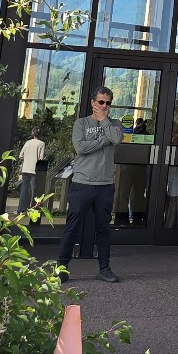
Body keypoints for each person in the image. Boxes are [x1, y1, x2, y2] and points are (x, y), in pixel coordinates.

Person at [55, 86, 123, 284]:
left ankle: (104, 268)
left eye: (108, 103)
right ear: (93, 102)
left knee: (103, 228)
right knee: (72, 227)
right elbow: (80, 148)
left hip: (105, 184)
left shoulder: (114, 123)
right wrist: (104, 139)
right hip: (82, 183)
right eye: (101, 102)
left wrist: (104, 122)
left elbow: (117, 139)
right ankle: (61, 269)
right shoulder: (81, 123)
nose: (104, 106)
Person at [17, 129, 46, 216]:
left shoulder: (27, 143)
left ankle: (21, 209)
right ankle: (32, 209)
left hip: (26, 169)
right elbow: (41, 158)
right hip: (35, 170)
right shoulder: (41, 144)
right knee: (34, 190)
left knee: (24, 190)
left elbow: (20, 155)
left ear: (32, 134)